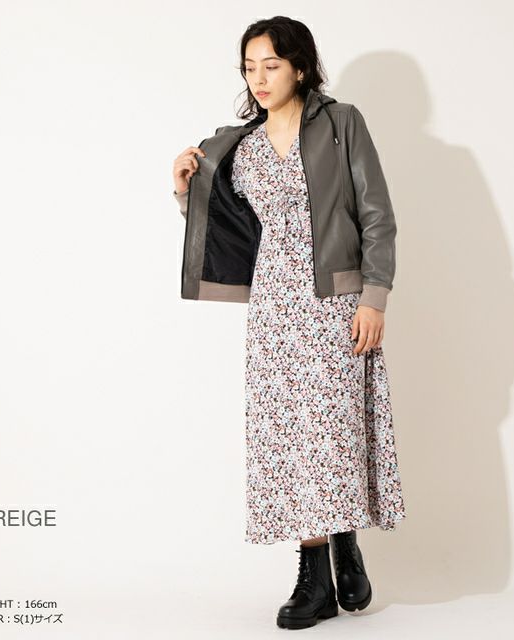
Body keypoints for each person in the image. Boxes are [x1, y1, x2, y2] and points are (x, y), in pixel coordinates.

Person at [172, 15, 405, 630]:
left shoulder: (341, 123)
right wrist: (184, 191)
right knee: (290, 440)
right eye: (249, 68)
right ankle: (324, 569)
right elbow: (226, 226)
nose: (259, 78)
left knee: (331, 434)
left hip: (334, 300)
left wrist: (374, 297)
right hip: (275, 308)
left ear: (300, 67)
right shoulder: (236, 144)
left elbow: (376, 214)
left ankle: (329, 561)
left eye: (271, 65)